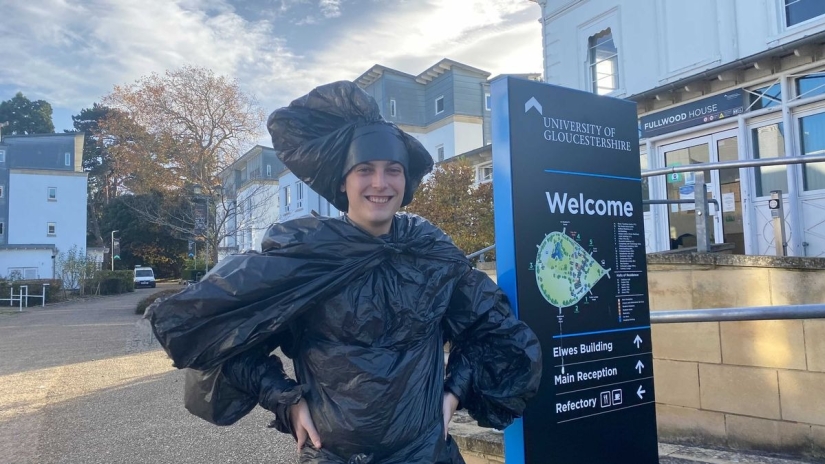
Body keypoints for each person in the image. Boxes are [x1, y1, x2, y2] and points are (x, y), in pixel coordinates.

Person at [147, 81, 541, 464]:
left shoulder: (429, 252)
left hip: (425, 452)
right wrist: (286, 401)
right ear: (343, 181)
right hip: (332, 455)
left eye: (392, 170)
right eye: (365, 169)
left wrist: (453, 393)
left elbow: (493, 330)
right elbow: (226, 340)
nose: (380, 183)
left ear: (405, 179)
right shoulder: (309, 257)